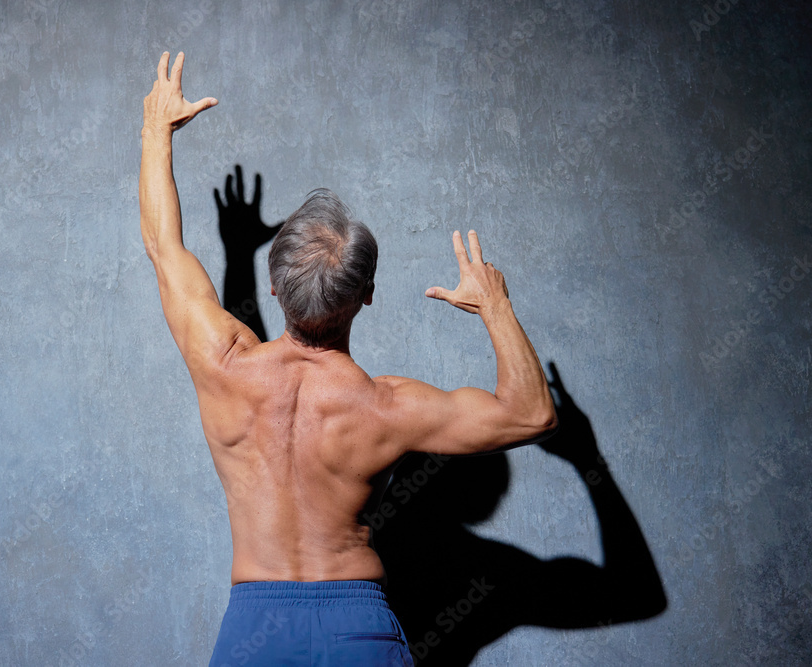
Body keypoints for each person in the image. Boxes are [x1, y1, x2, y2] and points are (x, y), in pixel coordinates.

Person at [139, 51, 558, 667]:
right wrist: (495, 305)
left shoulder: (223, 366)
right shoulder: (387, 407)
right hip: (355, 629)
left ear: (273, 288)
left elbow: (162, 245)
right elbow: (532, 415)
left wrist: (157, 130)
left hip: (257, 627)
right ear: (367, 295)